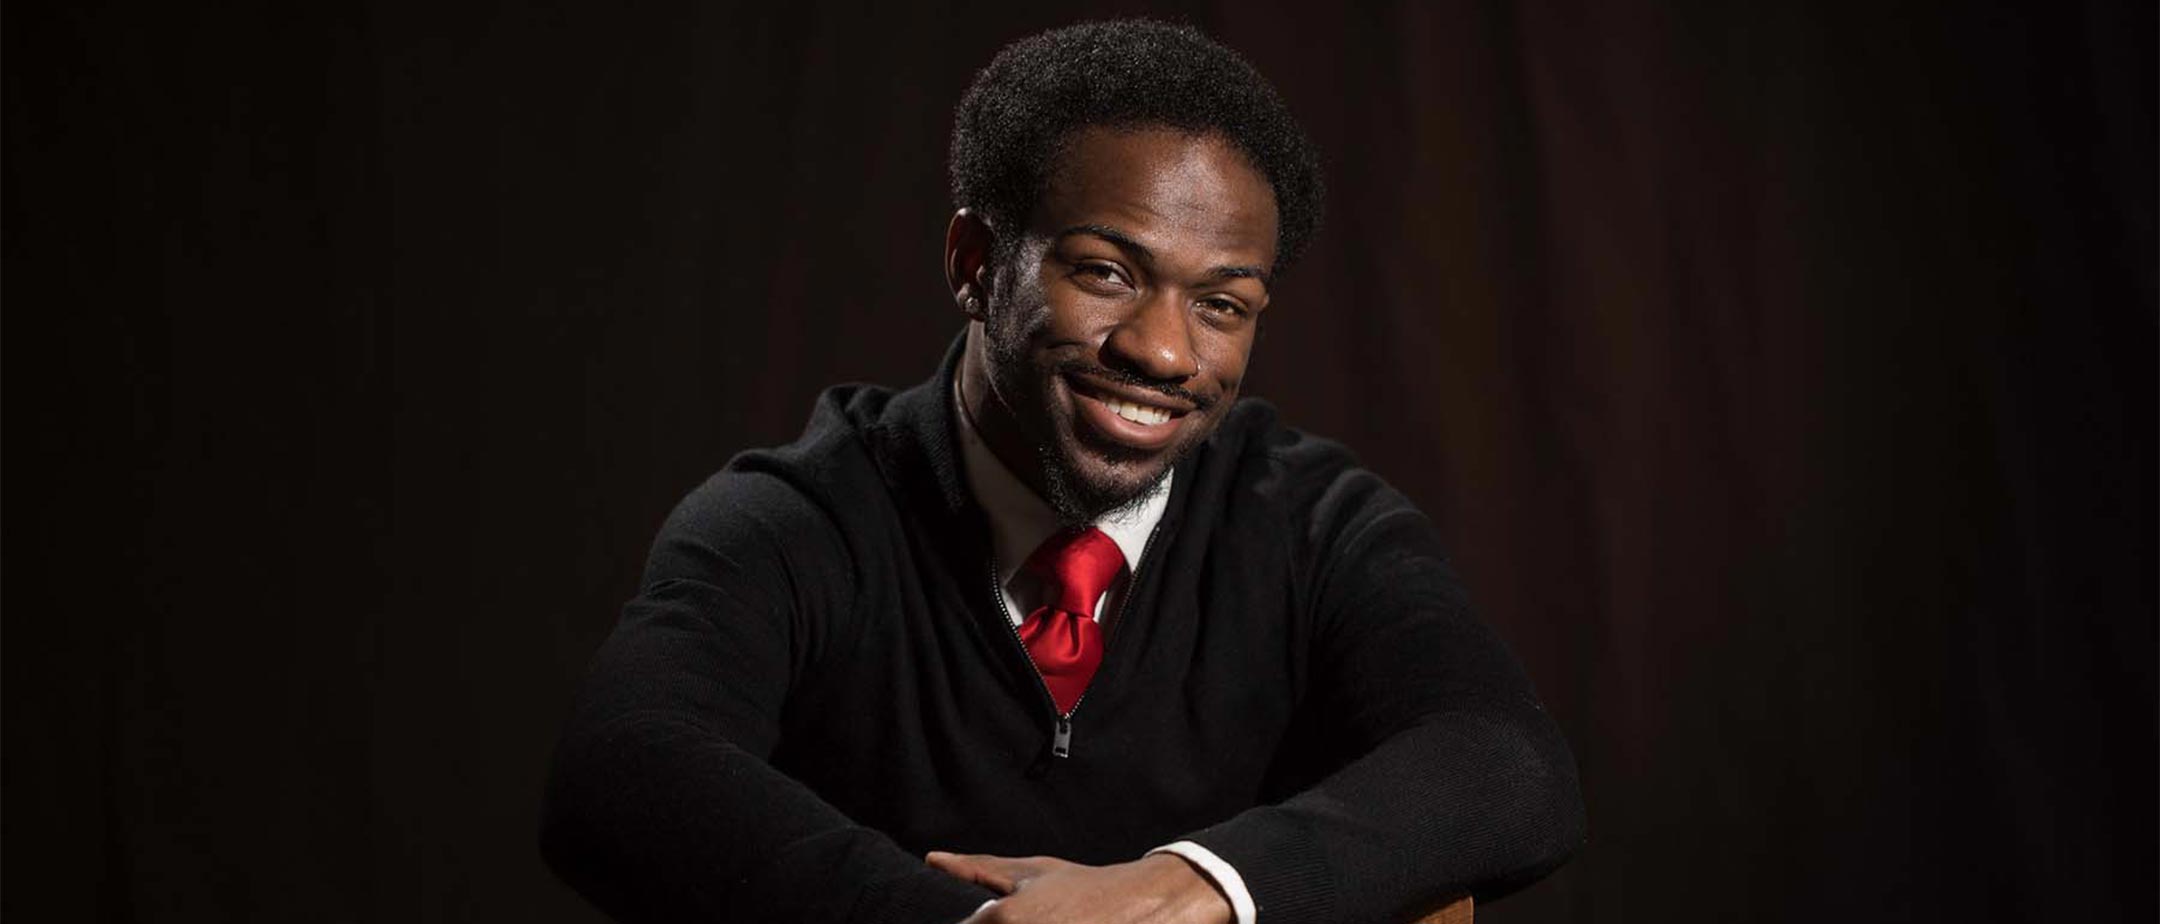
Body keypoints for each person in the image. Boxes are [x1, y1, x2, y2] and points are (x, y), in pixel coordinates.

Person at [540, 19, 1584, 924]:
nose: (1165, 353)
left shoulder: (1315, 524)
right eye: (1107, 272)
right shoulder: (797, 518)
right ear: (975, 264)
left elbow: (1507, 765)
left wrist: (1187, 890)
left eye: (1222, 303)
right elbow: (621, 772)